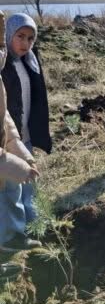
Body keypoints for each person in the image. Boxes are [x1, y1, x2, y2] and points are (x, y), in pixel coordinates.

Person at [2, 14, 52, 236]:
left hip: (23, 136)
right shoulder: (4, 67)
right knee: (11, 189)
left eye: (31, 38)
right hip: (7, 141)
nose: (25, 43)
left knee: (29, 184)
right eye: (20, 36)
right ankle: (15, 235)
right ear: (8, 35)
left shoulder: (30, 61)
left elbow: (37, 100)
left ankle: (34, 224)